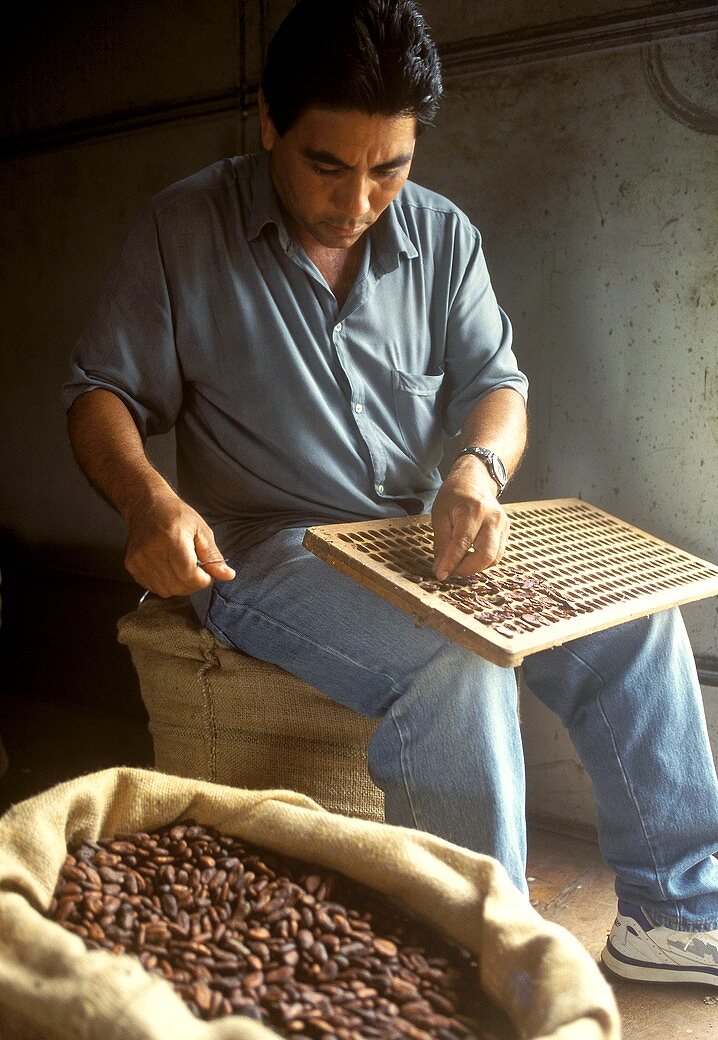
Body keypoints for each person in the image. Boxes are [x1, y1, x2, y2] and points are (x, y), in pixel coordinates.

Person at [64, 0, 718, 986]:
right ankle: (479, 958)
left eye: (389, 168)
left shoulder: (442, 234)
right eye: (327, 164)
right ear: (268, 121)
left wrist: (476, 468)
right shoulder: (183, 227)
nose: (358, 200)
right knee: (451, 671)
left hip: (421, 538)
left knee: (636, 622)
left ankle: (673, 913)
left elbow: (497, 384)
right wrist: (148, 500)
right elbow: (100, 394)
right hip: (271, 550)